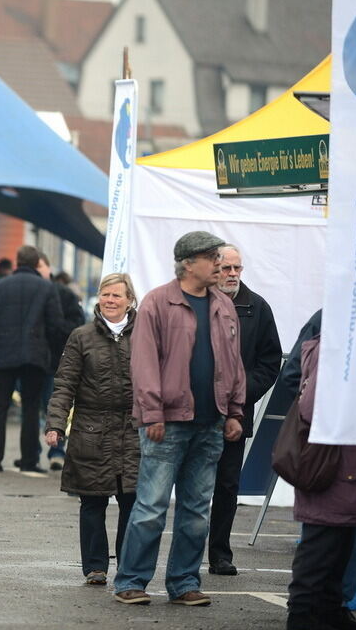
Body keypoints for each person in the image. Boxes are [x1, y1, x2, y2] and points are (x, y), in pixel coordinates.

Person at [113, 231, 245, 606]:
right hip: (166, 424)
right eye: (213, 258)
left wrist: (234, 411)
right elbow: (143, 363)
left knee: (197, 511)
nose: (220, 265)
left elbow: (233, 364)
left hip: (211, 423)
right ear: (189, 263)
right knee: (152, 507)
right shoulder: (158, 302)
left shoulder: (223, 305)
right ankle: (131, 582)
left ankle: (184, 582)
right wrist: (152, 412)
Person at [45, 273, 139, 586]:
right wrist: (56, 423)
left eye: (116, 295)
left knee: (132, 501)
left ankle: (129, 565)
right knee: (93, 501)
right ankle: (95, 567)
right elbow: (65, 384)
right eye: (105, 295)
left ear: (130, 300)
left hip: (132, 430)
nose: (110, 300)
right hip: (91, 430)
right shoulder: (81, 336)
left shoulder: (146, 335)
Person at [285, 335, 356, 630]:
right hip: (335, 462)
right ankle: (304, 612)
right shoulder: (336, 349)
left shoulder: (353, 349)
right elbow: (313, 407)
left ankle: (328, 607)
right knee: (323, 540)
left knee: (343, 542)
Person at [208, 244, 281, 576]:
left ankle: (219, 554)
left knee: (226, 485)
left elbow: (270, 362)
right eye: (226, 268)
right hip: (193, 412)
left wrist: (243, 392)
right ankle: (184, 552)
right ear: (213, 269)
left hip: (235, 414)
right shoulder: (194, 303)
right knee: (189, 484)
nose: (233, 274)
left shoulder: (257, 307)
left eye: (237, 268)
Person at [0, 245, 65, 473]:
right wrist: (52, 355)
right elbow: (55, 325)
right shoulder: (46, 288)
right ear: (36, 262)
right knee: (31, 408)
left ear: (17, 261)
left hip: (1, 356)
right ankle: (29, 460)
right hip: (34, 357)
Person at [36, 252, 85, 471]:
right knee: (48, 407)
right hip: (47, 358)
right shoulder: (56, 293)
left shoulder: (61, 294)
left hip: (51, 360)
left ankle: (52, 450)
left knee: (51, 406)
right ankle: (49, 451)